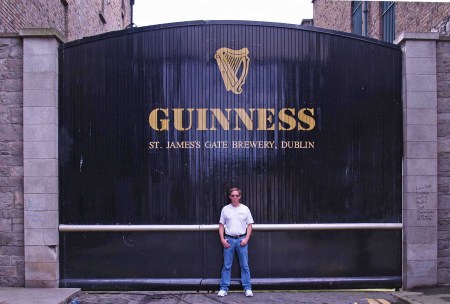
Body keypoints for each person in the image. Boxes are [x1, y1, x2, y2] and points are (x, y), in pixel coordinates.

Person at [218, 187, 254, 297]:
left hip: (241, 240)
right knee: (226, 265)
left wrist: (246, 239)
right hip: (229, 240)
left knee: (244, 265)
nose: (234, 197)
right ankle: (224, 288)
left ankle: (247, 288)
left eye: (236, 195)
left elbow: (250, 225)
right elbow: (221, 226)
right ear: (230, 197)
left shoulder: (245, 209)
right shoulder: (225, 209)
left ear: (240, 196)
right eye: (232, 195)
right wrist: (222, 239)